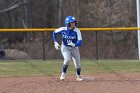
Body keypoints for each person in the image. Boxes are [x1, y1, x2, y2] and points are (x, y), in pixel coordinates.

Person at [53, 16, 83, 81]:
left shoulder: (77, 31)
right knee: (67, 59)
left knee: (78, 65)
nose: (73, 24)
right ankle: (63, 73)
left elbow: (80, 42)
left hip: (74, 48)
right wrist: (55, 42)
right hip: (65, 47)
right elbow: (54, 32)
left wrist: (74, 44)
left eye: (74, 22)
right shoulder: (63, 29)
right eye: (72, 23)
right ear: (67, 23)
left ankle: (78, 75)